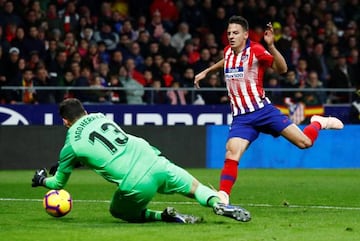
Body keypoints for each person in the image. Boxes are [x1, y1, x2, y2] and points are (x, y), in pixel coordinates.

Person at [194, 16, 344, 205]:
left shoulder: (256, 50)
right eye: (229, 33)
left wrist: (271, 46)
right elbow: (225, 61)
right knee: (232, 152)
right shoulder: (228, 52)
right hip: (241, 118)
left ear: (245, 35)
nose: (231, 36)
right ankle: (223, 195)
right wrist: (207, 72)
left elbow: (282, 69)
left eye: (235, 33)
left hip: (263, 110)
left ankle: (318, 122)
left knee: (305, 143)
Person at [31, 98, 251, 223]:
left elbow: (58, 184)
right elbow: (102, 148)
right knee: (195, 188)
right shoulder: (99, 116)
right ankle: (219, 204)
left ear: (65, 122)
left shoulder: (71, 145)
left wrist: (42, 180)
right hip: (153, 159)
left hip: (135, 182)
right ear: (85, 111)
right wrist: (75, 162)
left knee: (118, 212)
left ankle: (163, 216)